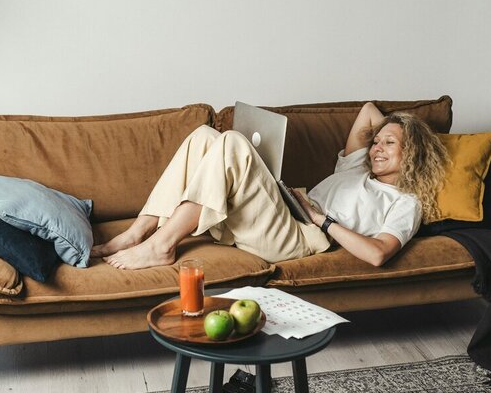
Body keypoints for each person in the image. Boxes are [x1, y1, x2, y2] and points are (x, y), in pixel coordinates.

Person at [91, 102, 448, 270]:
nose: (377, 148)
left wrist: (321, 219)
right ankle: (139, 231)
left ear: (412, 152)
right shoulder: (359, 167)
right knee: (204, 136)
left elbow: (377, 254)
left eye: (389, 144)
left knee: (231, 142)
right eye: (376, 141)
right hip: (286, 209)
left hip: (302, 235)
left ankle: (162, 244)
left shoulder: (406, 201)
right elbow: (369, 111)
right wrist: (396, 125)